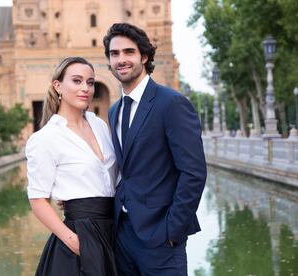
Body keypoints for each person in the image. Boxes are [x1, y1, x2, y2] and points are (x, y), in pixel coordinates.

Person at [103, 23, 207, 275]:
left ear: (145, 56)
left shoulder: (171, 103)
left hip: (161, 238)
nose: (121, 60)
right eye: (114, 54)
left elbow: (193, 173)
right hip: (123, 235)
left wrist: (172, 230)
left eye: (129, 52)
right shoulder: (115, 110)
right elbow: (122, 170)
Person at [25, 57, 118, 276]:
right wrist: (74, 241)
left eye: (91, 82)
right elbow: (38, 200)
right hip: (79, 236)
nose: (85, 88)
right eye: (77, 81)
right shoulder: (46, 138)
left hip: (114, 230)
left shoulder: (99, 125)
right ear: (58, 86)